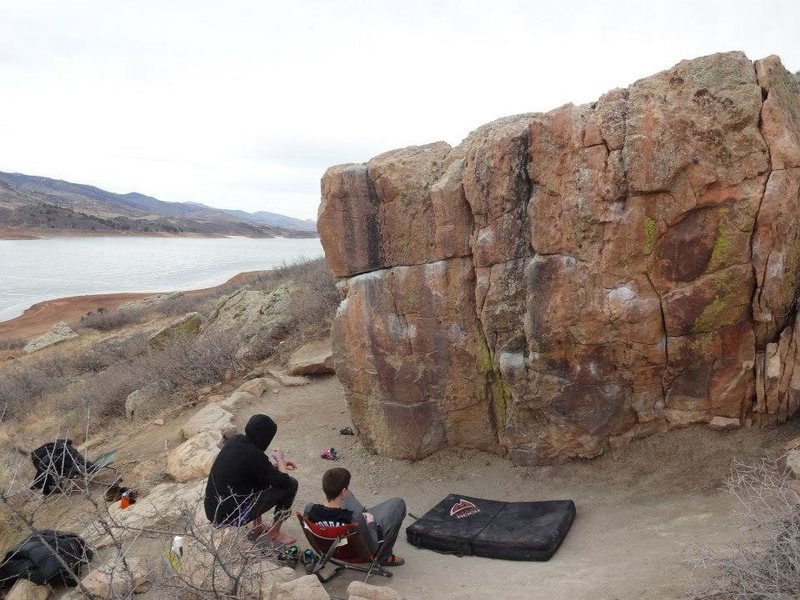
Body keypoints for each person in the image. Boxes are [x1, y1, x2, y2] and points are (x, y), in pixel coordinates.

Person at [204, 414, 298, 544]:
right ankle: (275, 534)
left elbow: (257, 469)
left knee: (258, 480)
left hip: (214, 510)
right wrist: (280, 460)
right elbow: (285, 482)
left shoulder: (236, 440)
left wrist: (277, 466)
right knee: (292, 485)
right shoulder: (254, 455)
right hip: (228, 517)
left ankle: (258, 526)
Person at [305, 467, 406, 566]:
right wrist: (371, 523)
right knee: (398, 503)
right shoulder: (355, 519)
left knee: (350, 497)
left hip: (329, 549)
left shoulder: (310, 510)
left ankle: (366, 513)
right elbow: (373, 546)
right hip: (355, 553)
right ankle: (384, 557)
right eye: (347, 489)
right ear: (343, 491)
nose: (347, 491)